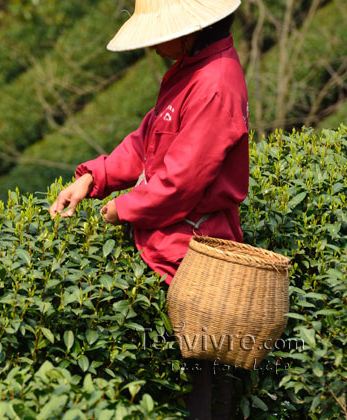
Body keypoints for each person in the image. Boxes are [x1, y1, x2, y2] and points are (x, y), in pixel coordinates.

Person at [49, 1, 249, 419]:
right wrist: (93, 179)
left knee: (205, 394)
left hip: (193, 258)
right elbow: (147, 140)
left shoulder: (215, 82)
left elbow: (182, 182)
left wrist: (122, 208)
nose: (154, 44)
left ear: (191, 30)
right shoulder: (190, 70)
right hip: (170, 247)